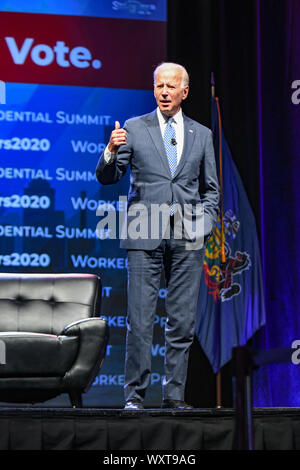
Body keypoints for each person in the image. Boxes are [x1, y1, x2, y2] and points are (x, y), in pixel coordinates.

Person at [96, 62, 219, 410]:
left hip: (187, 234)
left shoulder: (202, 135)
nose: (164, 92)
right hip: (143, 231)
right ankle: (134, 396)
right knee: (140, 320)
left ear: (185, 91)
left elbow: (211, 189)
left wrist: (205, 223)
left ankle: (174, 396)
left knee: (182, 321)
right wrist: (109, 151)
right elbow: (109, 176)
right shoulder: (134, 128)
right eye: (158, 85)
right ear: (153, 89)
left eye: (171, 86)